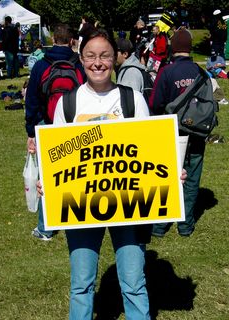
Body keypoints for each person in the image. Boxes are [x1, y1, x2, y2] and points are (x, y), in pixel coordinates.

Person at [53, 28, 151, 320]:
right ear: (81, 60)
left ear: (115, 59)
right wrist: (49, 182)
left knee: (134, 284)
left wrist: (170, 174)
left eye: (105, 56)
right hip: (81, 205)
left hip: (128, 203)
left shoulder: (133, 99)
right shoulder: (68, 103)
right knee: (81, 285)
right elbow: (57, 156)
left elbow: (149, 151)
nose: (98, 62)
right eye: (91, 56)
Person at [25, 23, 85, 241]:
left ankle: (45, 228)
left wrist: (31, 131)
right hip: (74, 124)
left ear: (52, 41)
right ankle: (77, 219)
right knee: (77, 172)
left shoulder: (41, 65)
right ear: (72, 42)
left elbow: (31, 100)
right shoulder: (78, 65)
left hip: (46, 123)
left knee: (47, 178)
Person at [149, 29, 204, 237]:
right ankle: (185, 225)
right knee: (192, 178)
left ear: (173, 47)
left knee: (166, 177)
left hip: (172, 131)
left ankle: (159, 226)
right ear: (190, 48)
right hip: (197, 129)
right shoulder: (200, 72)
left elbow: (154, 103)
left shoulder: (167, 72)